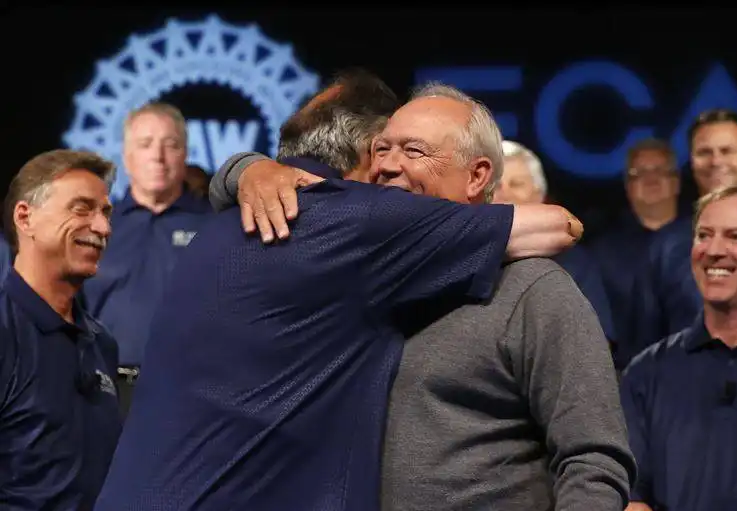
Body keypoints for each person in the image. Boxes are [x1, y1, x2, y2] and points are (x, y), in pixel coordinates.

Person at [95, 70, 582, 511]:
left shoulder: (216, 230)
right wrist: (455, 227)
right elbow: (558, 226)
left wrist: (243, 169)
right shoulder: (360, 220)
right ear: (372, 150)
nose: (394, 166)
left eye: (413, 151)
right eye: (392, 148)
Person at [212, 81, 635, 510]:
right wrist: (247, 169)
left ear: (477, 176)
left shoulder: (534, 291)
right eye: (381, 149)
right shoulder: (357, 279)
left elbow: (593, 459)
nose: (388, 167)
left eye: (413, 151)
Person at [621, 186, 737, 511]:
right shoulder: (646, 372)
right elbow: (630, 494)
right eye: (704, 235)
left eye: (736, 237)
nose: (714, 250)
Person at [0, 149, 122, 510]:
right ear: (25, 217)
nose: (103, 228)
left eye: (105, 213)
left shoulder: (103, 343)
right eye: (81, 208)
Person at [629, 109, 737, 357]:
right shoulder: (663, 247)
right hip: (683, 387)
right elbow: (641, 346)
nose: (716, 161)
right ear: (692, 162)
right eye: (704, 152)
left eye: (727, 151)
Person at [80, 102, 214, 414]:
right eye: (145, 144)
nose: (158, 156)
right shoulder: (96, 228)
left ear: (185, 154)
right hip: (102, 396)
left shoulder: (216, 227)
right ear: (126, 157)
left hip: (190, 395)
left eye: (171, 145)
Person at [493, 139, 617, 349]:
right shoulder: (460, 259)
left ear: (540, 196)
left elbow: (595, 347)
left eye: (517, 184)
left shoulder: (575, 264)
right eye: (495, 186)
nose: (505, 194)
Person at [588, 138, 681, 367]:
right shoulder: (601, 254)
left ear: (676, 181)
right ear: (628, 186)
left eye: (660, 169)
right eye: (639, 172)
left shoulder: (703, 241)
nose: (651, 178)